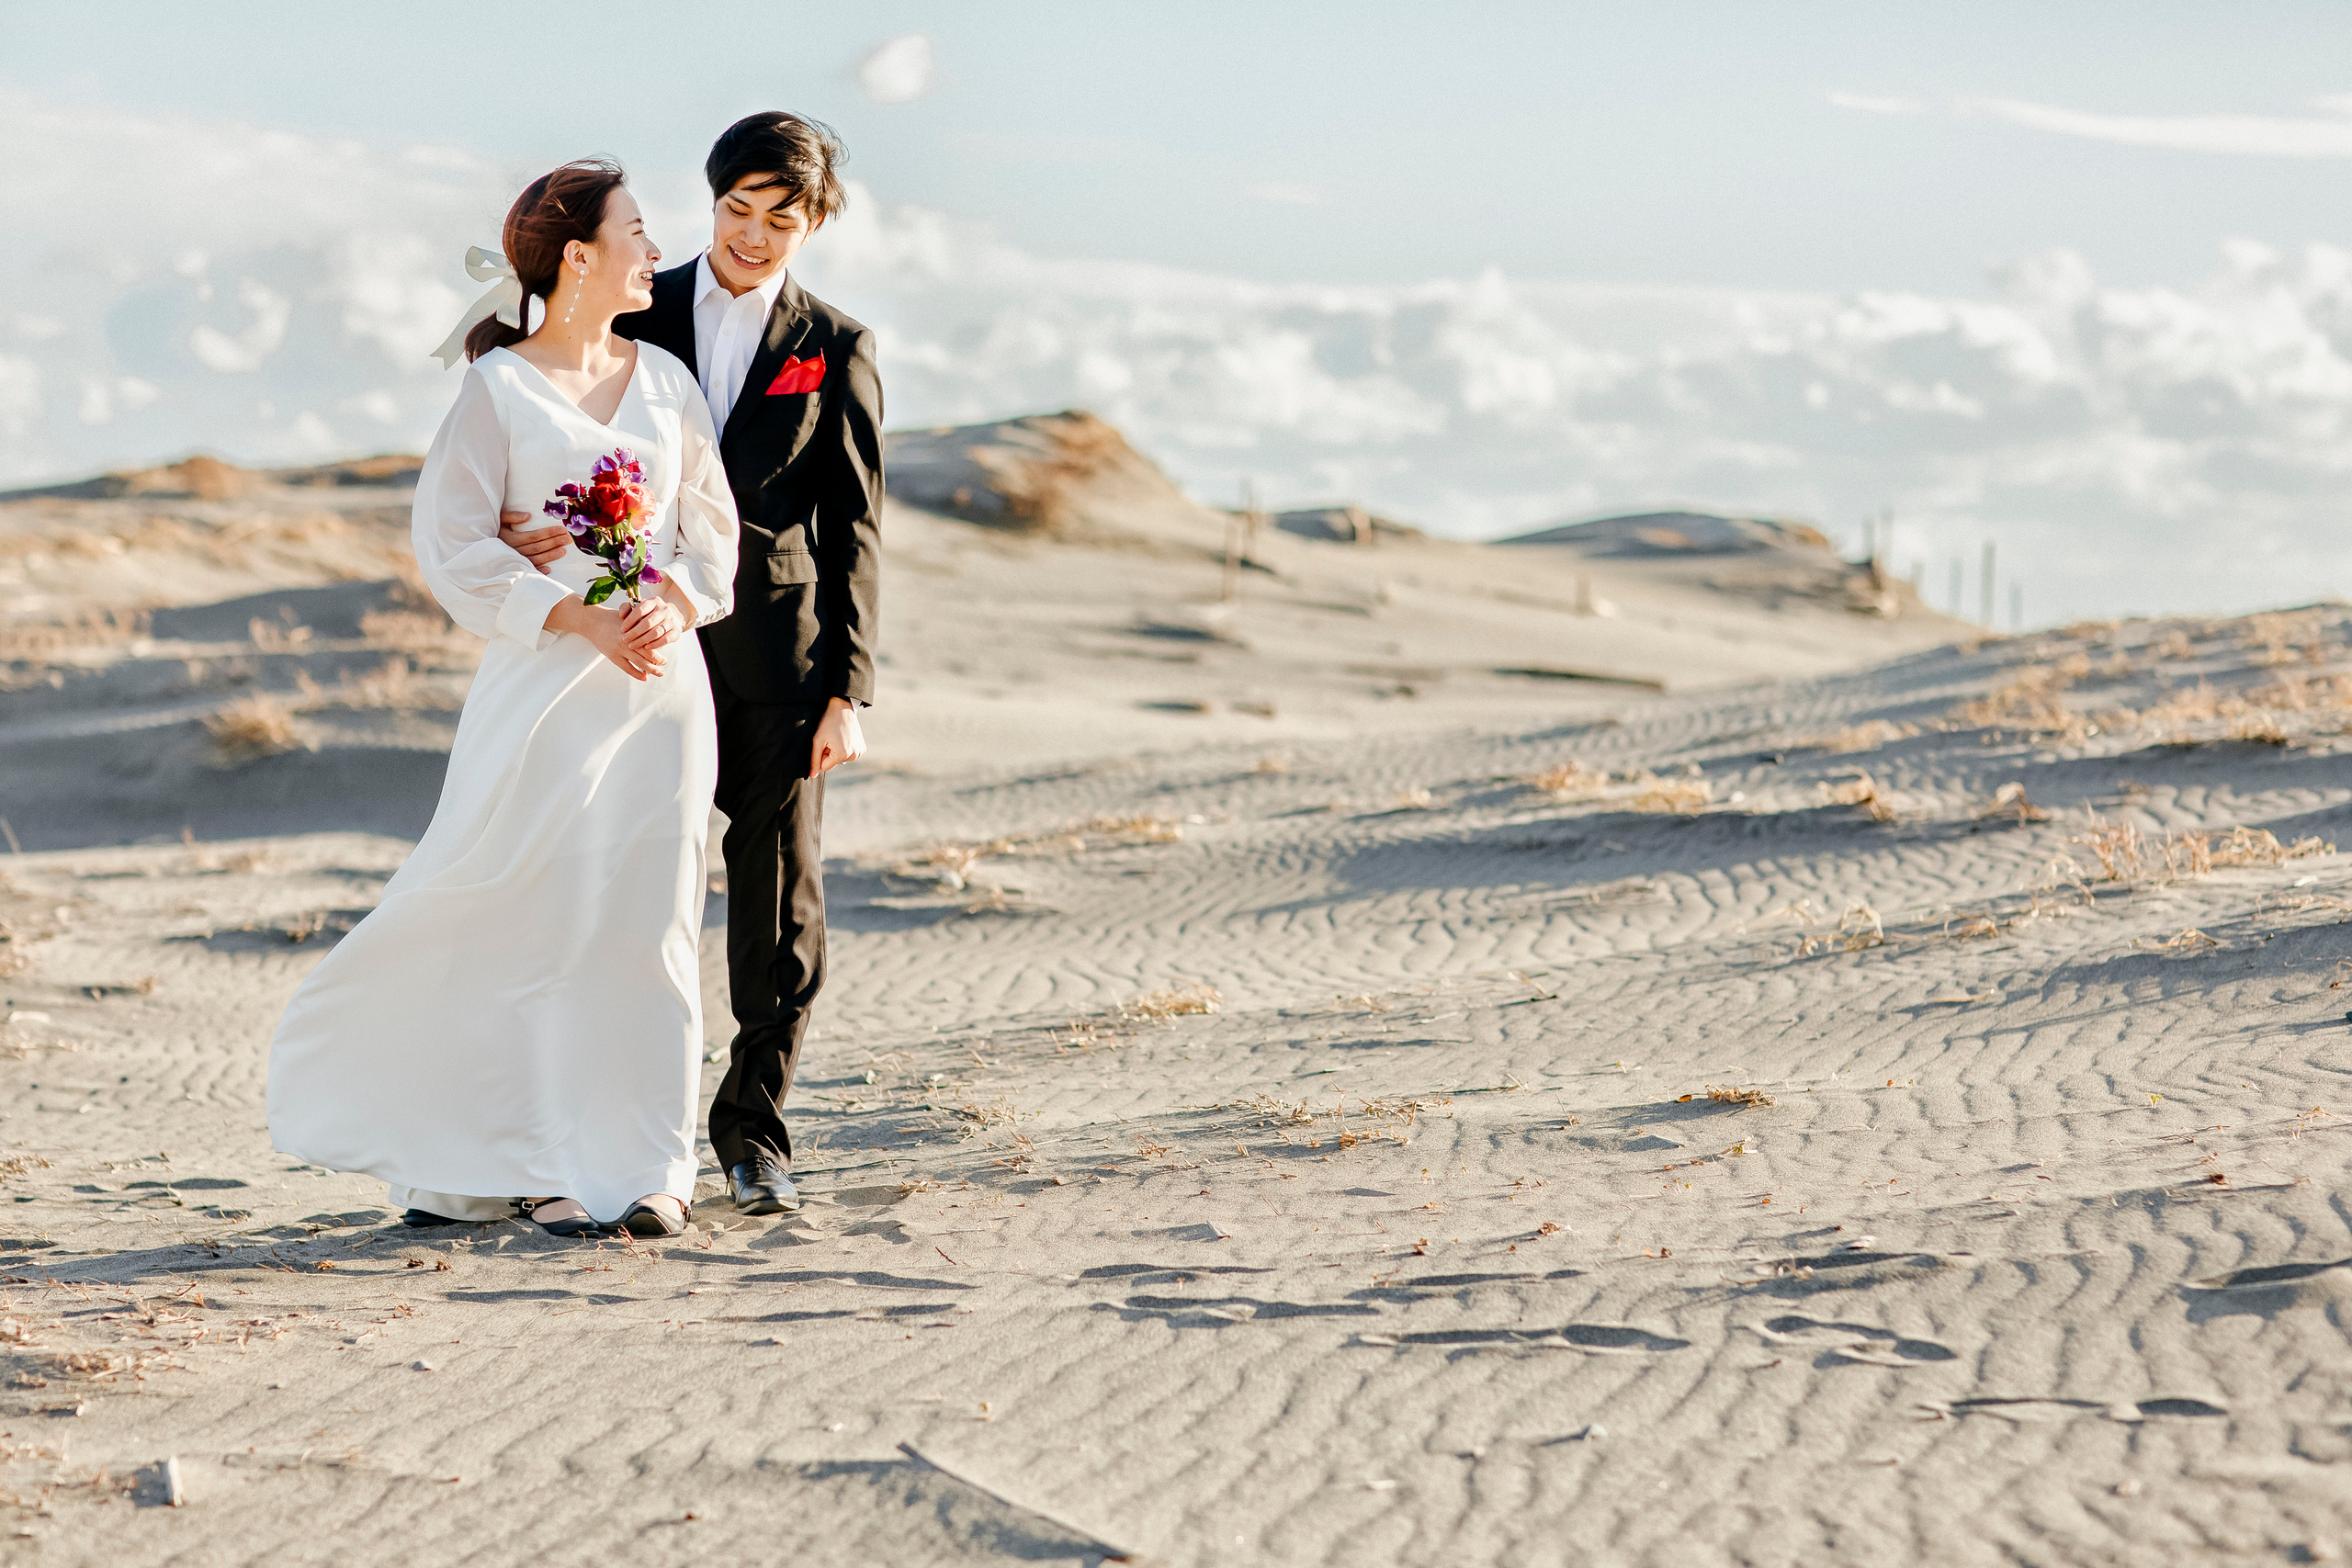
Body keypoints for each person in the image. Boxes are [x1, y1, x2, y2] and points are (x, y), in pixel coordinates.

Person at [267, 160, 739, 1239]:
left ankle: (654, 1162)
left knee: (650, 923)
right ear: (579, 257)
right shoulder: (498, 389)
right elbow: (452, 543)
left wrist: (666, 596)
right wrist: (572, 613)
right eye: (636, 230)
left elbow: (712, 532)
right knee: (533, 917)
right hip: (544, 689)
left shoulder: (666, 381)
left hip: (661, 692)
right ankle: (530, 1162)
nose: (654, 251)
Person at [498, 113, 881, 1217]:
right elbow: (534, 408)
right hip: (629, 653)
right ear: (711, 204)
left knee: (777, 906)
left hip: (774, 661)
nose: (752, 237)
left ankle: (755, 1134)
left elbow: (855, 532)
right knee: (611, 886)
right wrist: (533, 529)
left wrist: (846, 690)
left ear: (815, 224)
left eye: (780, 218)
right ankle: (593, 1126)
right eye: (735, 210)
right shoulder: (632, 301)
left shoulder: (838, 349)